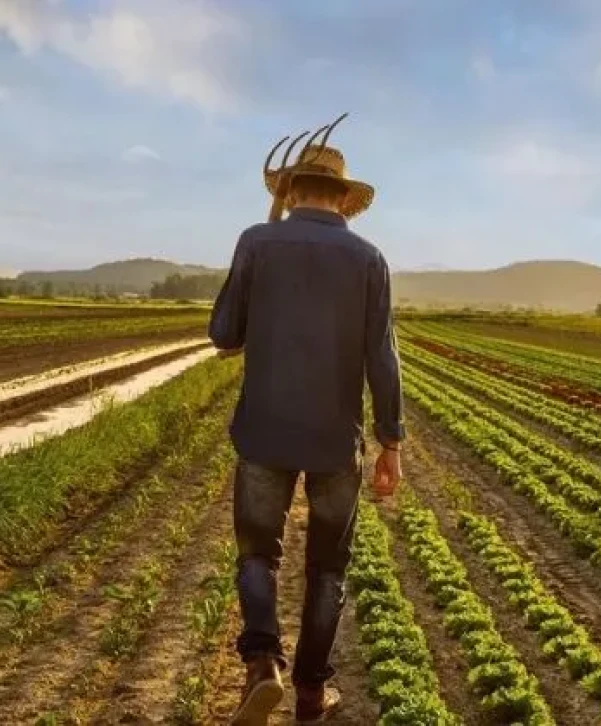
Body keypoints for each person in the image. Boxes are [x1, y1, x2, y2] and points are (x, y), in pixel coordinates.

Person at [209, 117, 404, 725]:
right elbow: (382, 356)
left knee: (257, 555)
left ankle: (262, 663)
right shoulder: (368, 258)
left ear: (290, 192)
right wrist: (390, 441)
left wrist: (252, 256)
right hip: (333, 442)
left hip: (264, 432)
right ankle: (311, 696)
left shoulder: (255, 242)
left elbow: (223, 335)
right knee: (327, 567)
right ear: (344, 199)